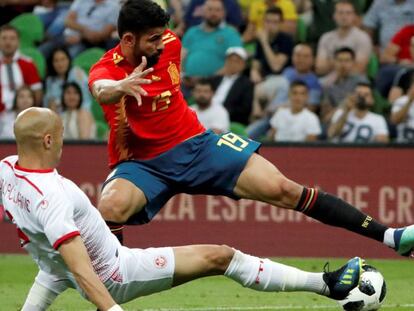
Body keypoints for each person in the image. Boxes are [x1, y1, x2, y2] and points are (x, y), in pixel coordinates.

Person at [89, 0, 414, 259]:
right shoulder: (107, 68)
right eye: (152, 39)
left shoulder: (171, 42)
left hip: (197, 145)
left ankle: (390, 236)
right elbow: (101, 88)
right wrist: (119, 87)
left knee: (285, 189)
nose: (162, 43)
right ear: (128, 39)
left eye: (162, 35)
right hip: (143, 163)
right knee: (110, 208)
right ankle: (116, 272)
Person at [1, 107, 373, 311]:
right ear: (49, 140)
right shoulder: (50, 195)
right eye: (62, 134)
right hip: (113, 272)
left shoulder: (7, 170)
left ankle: (328, 287)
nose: (64, 141)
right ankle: (327, 286)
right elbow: (84, 270)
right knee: (222, 257)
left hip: (51, 270)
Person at [315, 0, 372, 76]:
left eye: (348, 13)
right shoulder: (325, 38)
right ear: (334, 16)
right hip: (328, 81)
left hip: (354, 81)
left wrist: (332, 62)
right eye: (340, 13)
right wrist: (347, 63)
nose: (344, 17)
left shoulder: (363, 38)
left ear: (354, 16)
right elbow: (320, 68)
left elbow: (359, 68)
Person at [0, 24, 43, 112]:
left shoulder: (28, 63)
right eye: (4, 38)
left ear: (18, 41)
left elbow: (37, 93)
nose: (8, 42)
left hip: (23, 115)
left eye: (12, 38)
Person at [43, 46, 91, 112]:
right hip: (57, 116)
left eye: (63, 59)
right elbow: (47, 103)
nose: (60, 64)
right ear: (51, 63)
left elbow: (85, 100)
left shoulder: (77, 73)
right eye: (56, 61)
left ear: (68, 60)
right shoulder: (50, 80)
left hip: (79, 113)